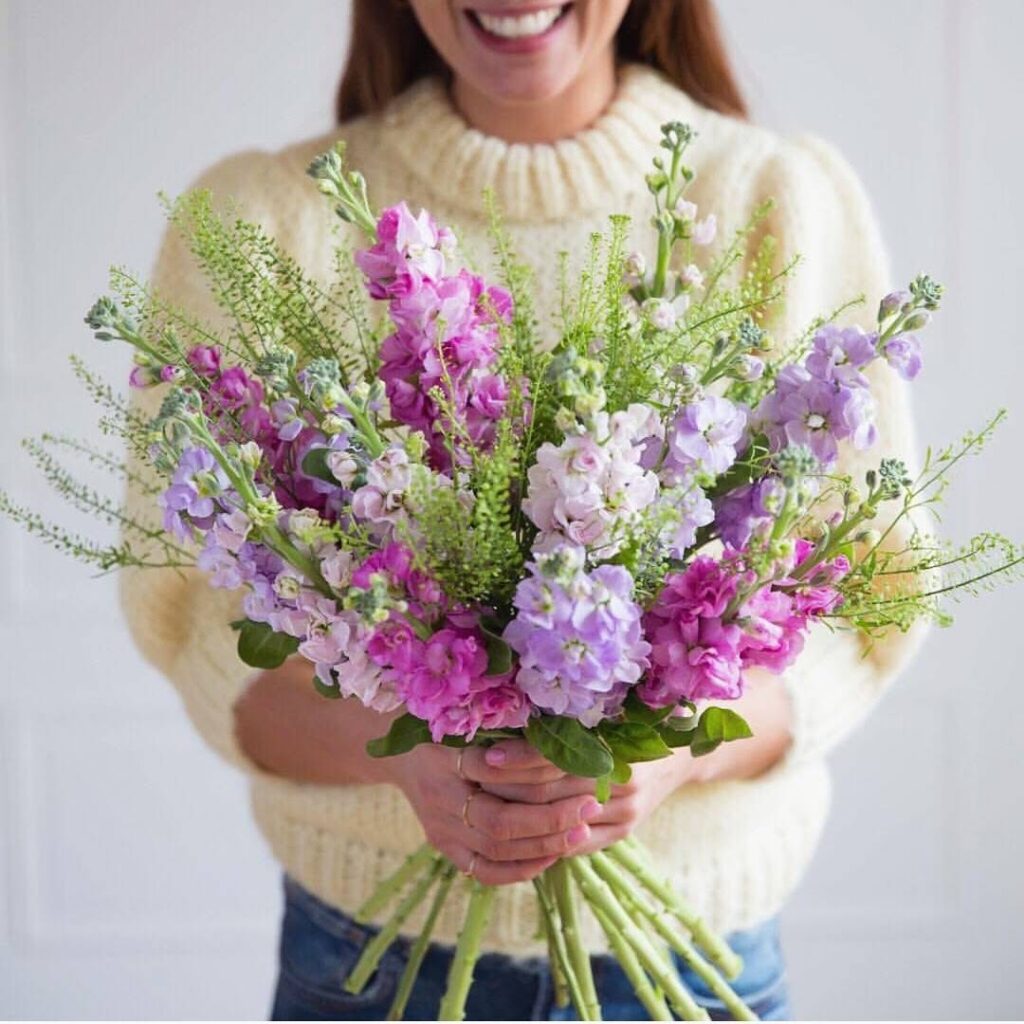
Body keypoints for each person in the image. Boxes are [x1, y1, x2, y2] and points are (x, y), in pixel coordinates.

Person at [121, 1, 923, 1018]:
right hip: (370, 974)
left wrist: (676, 747)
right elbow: (191, 615)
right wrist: (412, 749)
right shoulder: (260, 219)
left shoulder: (774, 200)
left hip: (689, 968)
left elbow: (869, 594)